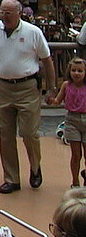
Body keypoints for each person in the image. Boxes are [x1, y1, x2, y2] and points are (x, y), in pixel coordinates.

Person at [0, 0, 57, 194]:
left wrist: (52, 88)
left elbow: (47, 60)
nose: (4, 17)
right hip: (2, 87)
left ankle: (35, 167)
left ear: (19, 13)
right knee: (5, 135)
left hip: (28, 87)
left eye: (8, 13)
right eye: (2, 13)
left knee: (29, 133)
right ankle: (11, 178)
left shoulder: (33, 32)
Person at [53, 58, 86, 188]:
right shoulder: (67, 85)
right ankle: (75, 182)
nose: (76, 73)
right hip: (72, 120)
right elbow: (58, 100)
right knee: (76, 154)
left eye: (80, 71)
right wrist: (52, 100)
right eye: (73, 70)